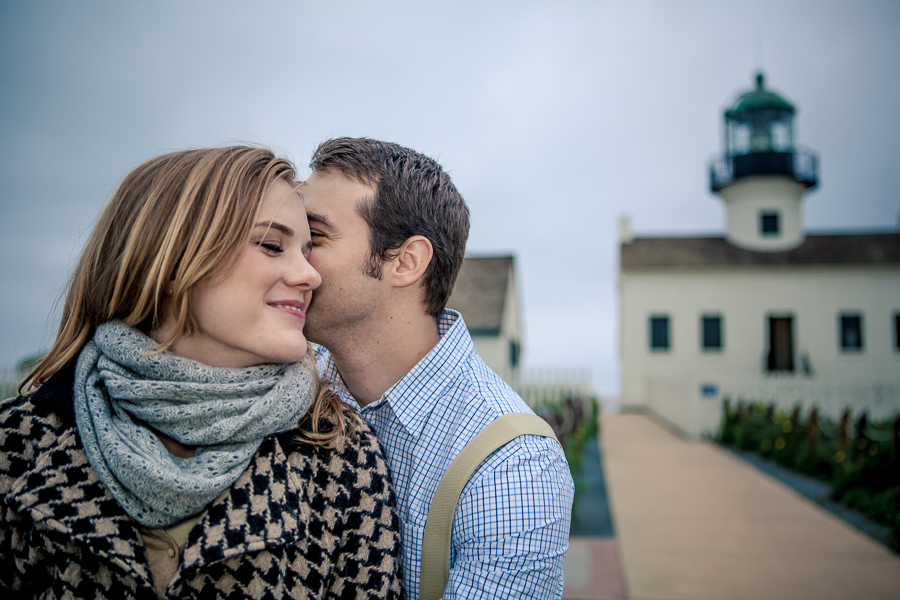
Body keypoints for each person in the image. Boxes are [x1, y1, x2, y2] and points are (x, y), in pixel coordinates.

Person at [0, 146, 404, 599]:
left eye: (309, 251)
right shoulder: (19, 442)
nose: (309, 275)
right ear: (170, 261)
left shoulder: (339, 455)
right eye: (272, 245)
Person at [301, 137, 574, 599]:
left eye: (315, 237)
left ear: (406, 262)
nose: (290, 259)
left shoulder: (513, 469)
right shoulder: (287, 384)